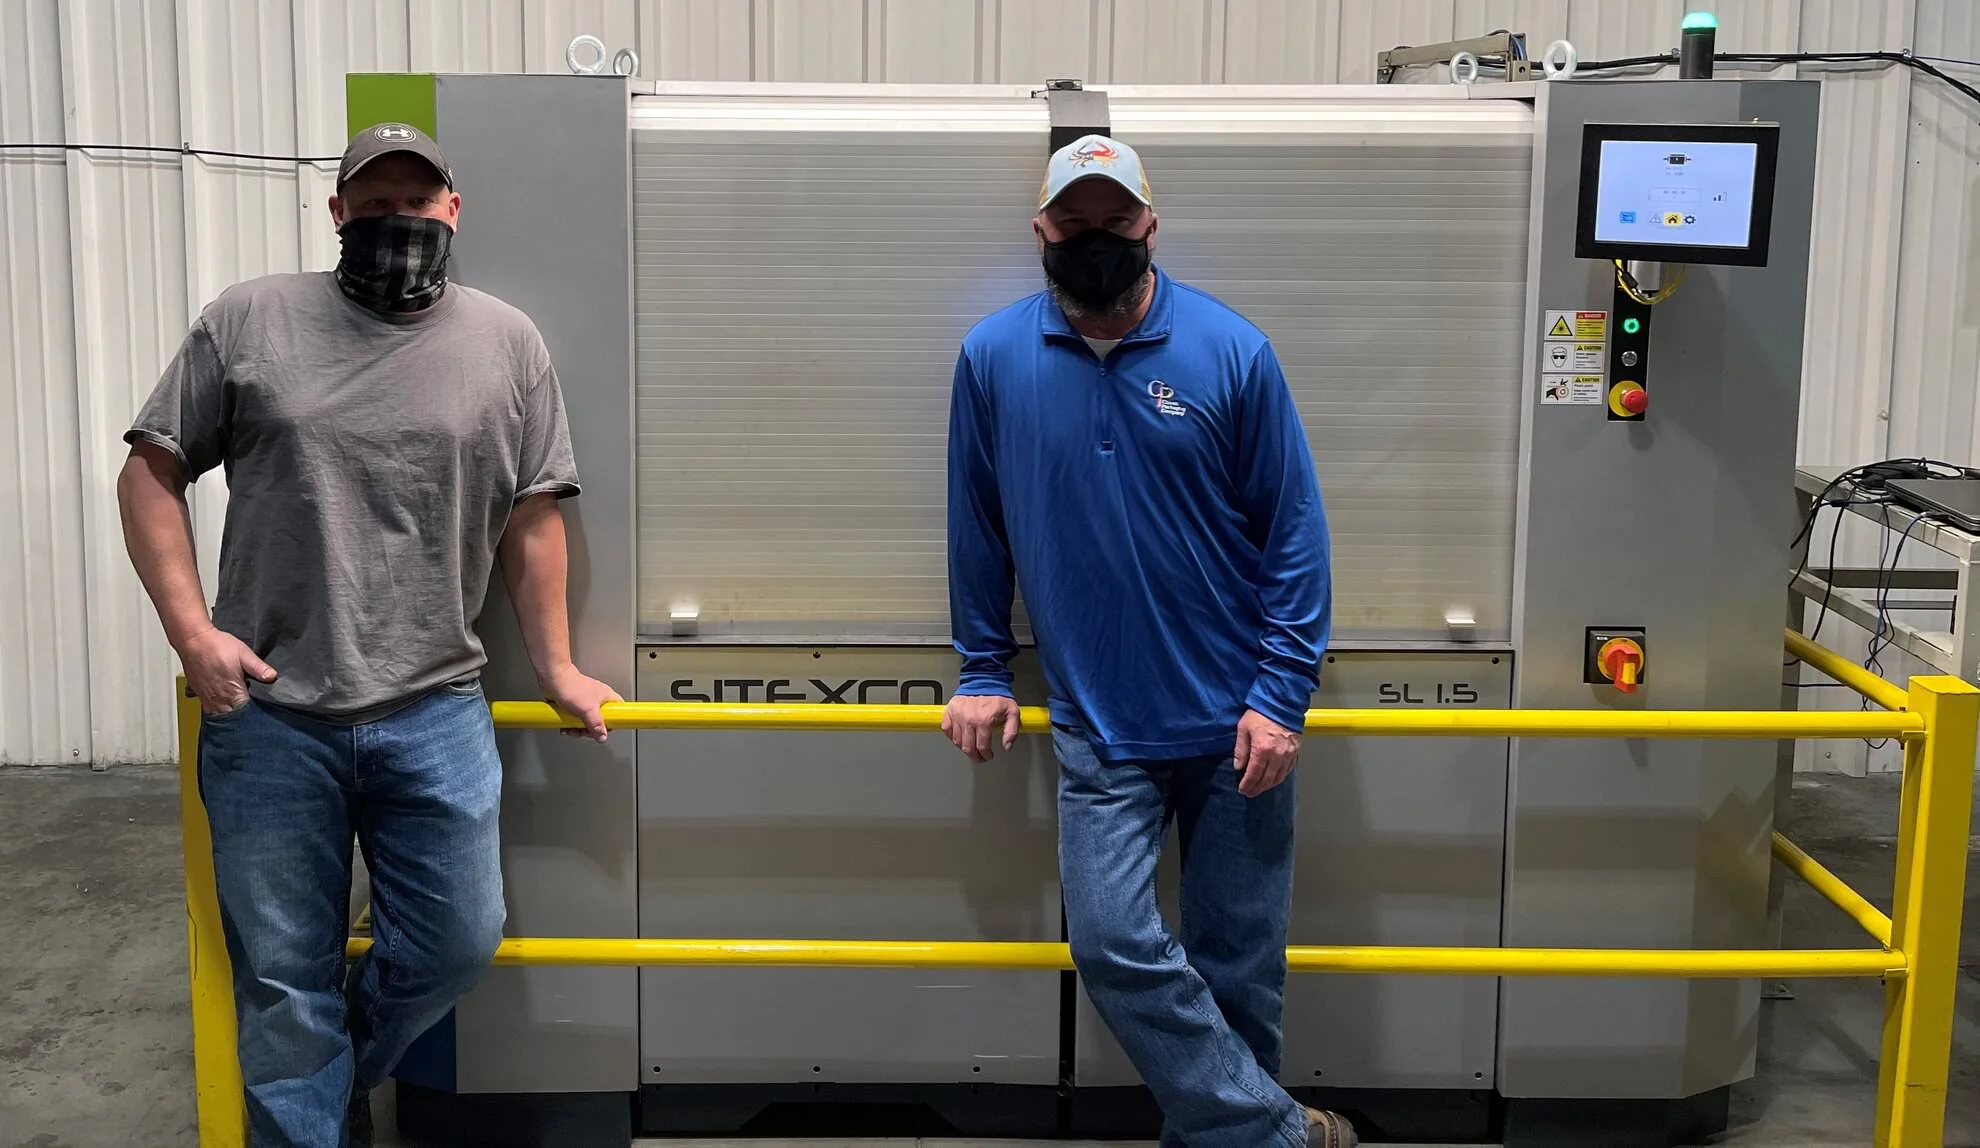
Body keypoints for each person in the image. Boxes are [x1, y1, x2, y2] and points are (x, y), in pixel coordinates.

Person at [116, 122, 620, 1147]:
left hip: (433, 704)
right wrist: (191, 634)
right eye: (375, 203)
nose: (398, 220)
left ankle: (320, 1059)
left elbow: (534, 514)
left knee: (454, 943)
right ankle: (306, 1096)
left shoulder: (507, 342)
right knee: (279, 968)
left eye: (417, 202)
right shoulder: (250, 319)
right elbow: (150, 472)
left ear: (453, 211)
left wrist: (560, 663)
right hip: (268, 717)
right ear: (338, 212)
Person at [941, 135, 1347, 1148]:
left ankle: (1234, 1135)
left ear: (1149, 226)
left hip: (1238, 722)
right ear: (1040, 232)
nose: (1094, 242)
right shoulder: (993, 358)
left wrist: (1282, 693)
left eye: (1114, 224)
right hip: (1099, 726)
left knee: (1238, 969)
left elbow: (1294, 530)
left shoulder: (1231, 351)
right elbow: (976, 524)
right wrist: (984, 665)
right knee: (1116, 940)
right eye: (1072, 225)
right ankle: (1283, 1134)